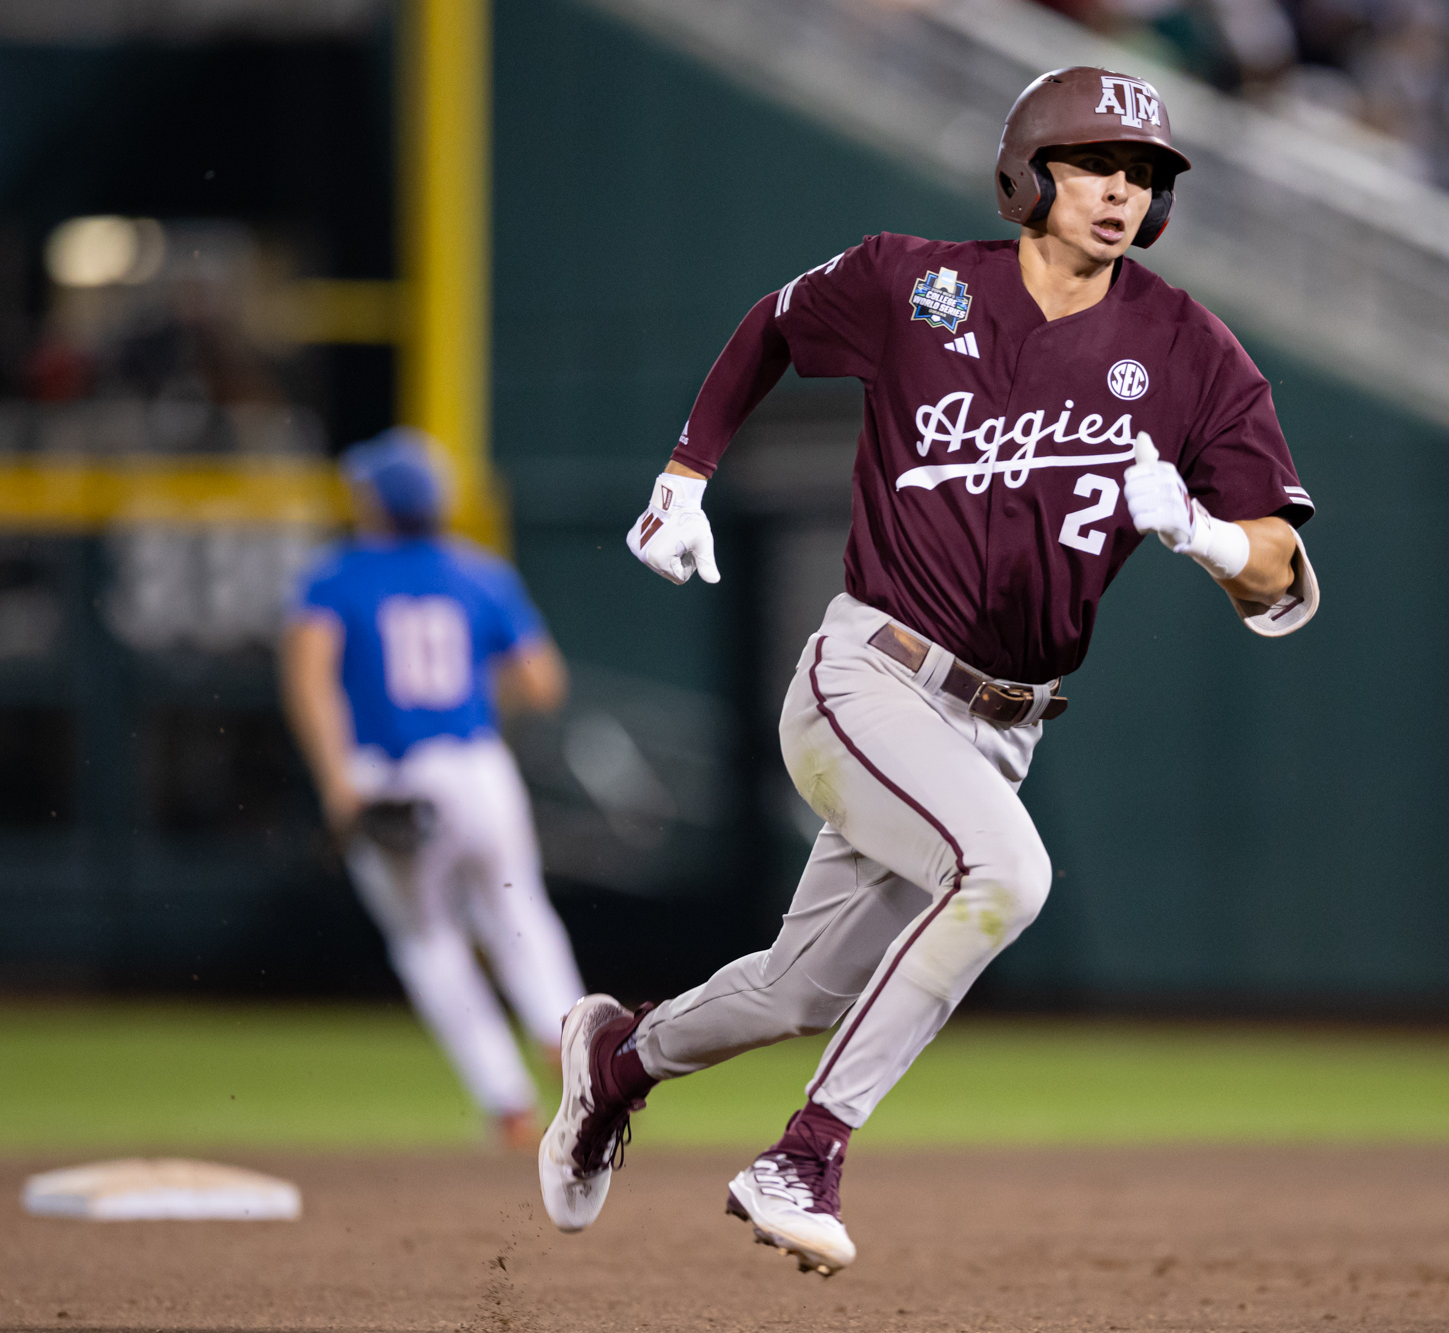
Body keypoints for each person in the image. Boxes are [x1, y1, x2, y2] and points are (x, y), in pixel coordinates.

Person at [539, 66, 1320, 1272]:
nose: (1120, 191)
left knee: (798, 986)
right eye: (1096, 163)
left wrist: (1210, 539)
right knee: (1005, 872)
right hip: (870, 674)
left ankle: (614, 1059)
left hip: (1006, 724)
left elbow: (1276, 568)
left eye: (1144, 174)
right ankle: (804, 1150)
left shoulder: (1188, 348)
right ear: (1030, 169)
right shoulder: (917, 280)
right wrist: (686, 472)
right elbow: (774, 327)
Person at [281, 429, 584, 1149]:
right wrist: (474, 697)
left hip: (390, 773)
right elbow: (543, 682)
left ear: (374, 503)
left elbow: (309, 679)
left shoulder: (335, 577)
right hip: (479, 767)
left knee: (428, 940)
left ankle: (507, 1102)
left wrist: (335, 783)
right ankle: (569, 1045)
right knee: (520, 916)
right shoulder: (479, 572)